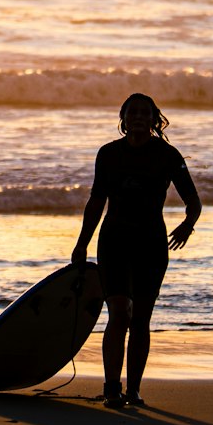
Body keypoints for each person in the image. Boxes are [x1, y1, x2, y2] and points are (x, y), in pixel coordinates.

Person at [71, 93, 202, 408]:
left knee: (140, 319)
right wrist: (81, 243)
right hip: (114, 240)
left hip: (151, 244)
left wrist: (187, 225)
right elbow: (96, 202)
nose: (139, 117)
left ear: (154, 118)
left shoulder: (168, 155)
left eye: (145, 112)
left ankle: (134, 391)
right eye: (133, 112)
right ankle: (112, 388)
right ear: (123, 117)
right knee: (118, 313)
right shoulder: (108, 154)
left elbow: (193, 202)